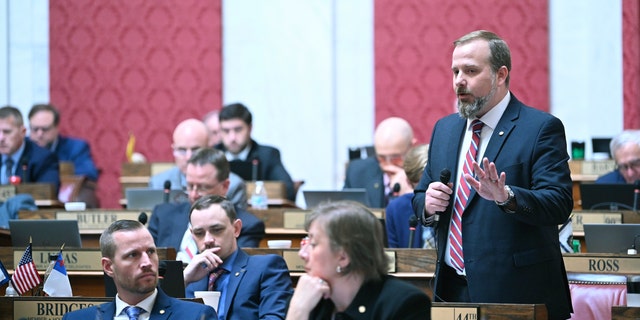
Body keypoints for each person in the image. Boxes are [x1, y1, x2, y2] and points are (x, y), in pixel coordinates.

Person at [411, 30, 573, 319]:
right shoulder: (445, 129)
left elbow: (559, 204)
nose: (459, 80)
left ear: (500, 75)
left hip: (517, 293)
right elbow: (420, 195)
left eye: (471, 71)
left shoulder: (540, 128)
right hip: (452, 289)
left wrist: (507, 197)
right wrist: (427, 203)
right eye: (455, 71)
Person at [286, 201, 431, 319]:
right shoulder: (308, 299)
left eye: (313, 244)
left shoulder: (404, 304)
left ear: (343, 257)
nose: (302, 254)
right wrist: (297, 311)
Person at [62, 220, 217, 319]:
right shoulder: (78, 319)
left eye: (150, 252)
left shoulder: (197, 316)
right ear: (109, 267)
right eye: (133, 255)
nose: (147, 262)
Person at [183, 195, 293, 319]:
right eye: (199, 233)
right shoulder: (190, 278)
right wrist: (184, 280)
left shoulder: (265, 268)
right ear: (192, 235)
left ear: (236, 229)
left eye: (217, 230)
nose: (208, 240)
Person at [148, 148, 264, 262]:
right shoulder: (163, 215)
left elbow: (235, 272)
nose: (193, 194)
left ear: (225, 186)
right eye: (189, 186)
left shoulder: (247, 225)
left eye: (203, 187)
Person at [149, 118, 247, 209]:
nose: (188, 157)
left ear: (210, 148)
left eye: (195, 150)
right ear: (173, 149)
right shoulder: (158, 183)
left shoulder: (233, 185)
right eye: (182, 150)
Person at [215, 103, 296, 201]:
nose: (232, 137)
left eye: (238, 130)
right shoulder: (212, 155)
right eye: (226, 131)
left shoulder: (267, 155)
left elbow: (288, 190)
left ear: (250, 128)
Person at [0, 106, 59, 229]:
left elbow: (48, 196)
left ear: (22, 132)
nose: (1, 138)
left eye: (6, 132)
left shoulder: (43, 158)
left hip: (24, 223)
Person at [344, 117, 415, 208]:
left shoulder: (424, 174)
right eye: (381, 158)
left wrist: (409, 196)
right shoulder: (357, 172)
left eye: (395, 158)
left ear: (411, 147)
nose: (388, 165)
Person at [28, 103, 99, 181]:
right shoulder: (23, 146)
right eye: (35, 129)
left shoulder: (75, 148)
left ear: (57, 128)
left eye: (45, 129)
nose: (39, 134)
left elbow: (89, 174)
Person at [385, 144, 434, 248]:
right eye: (424, 188)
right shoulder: (396, 209)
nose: (430, 194)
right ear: (409, 182)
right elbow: (394, 257)